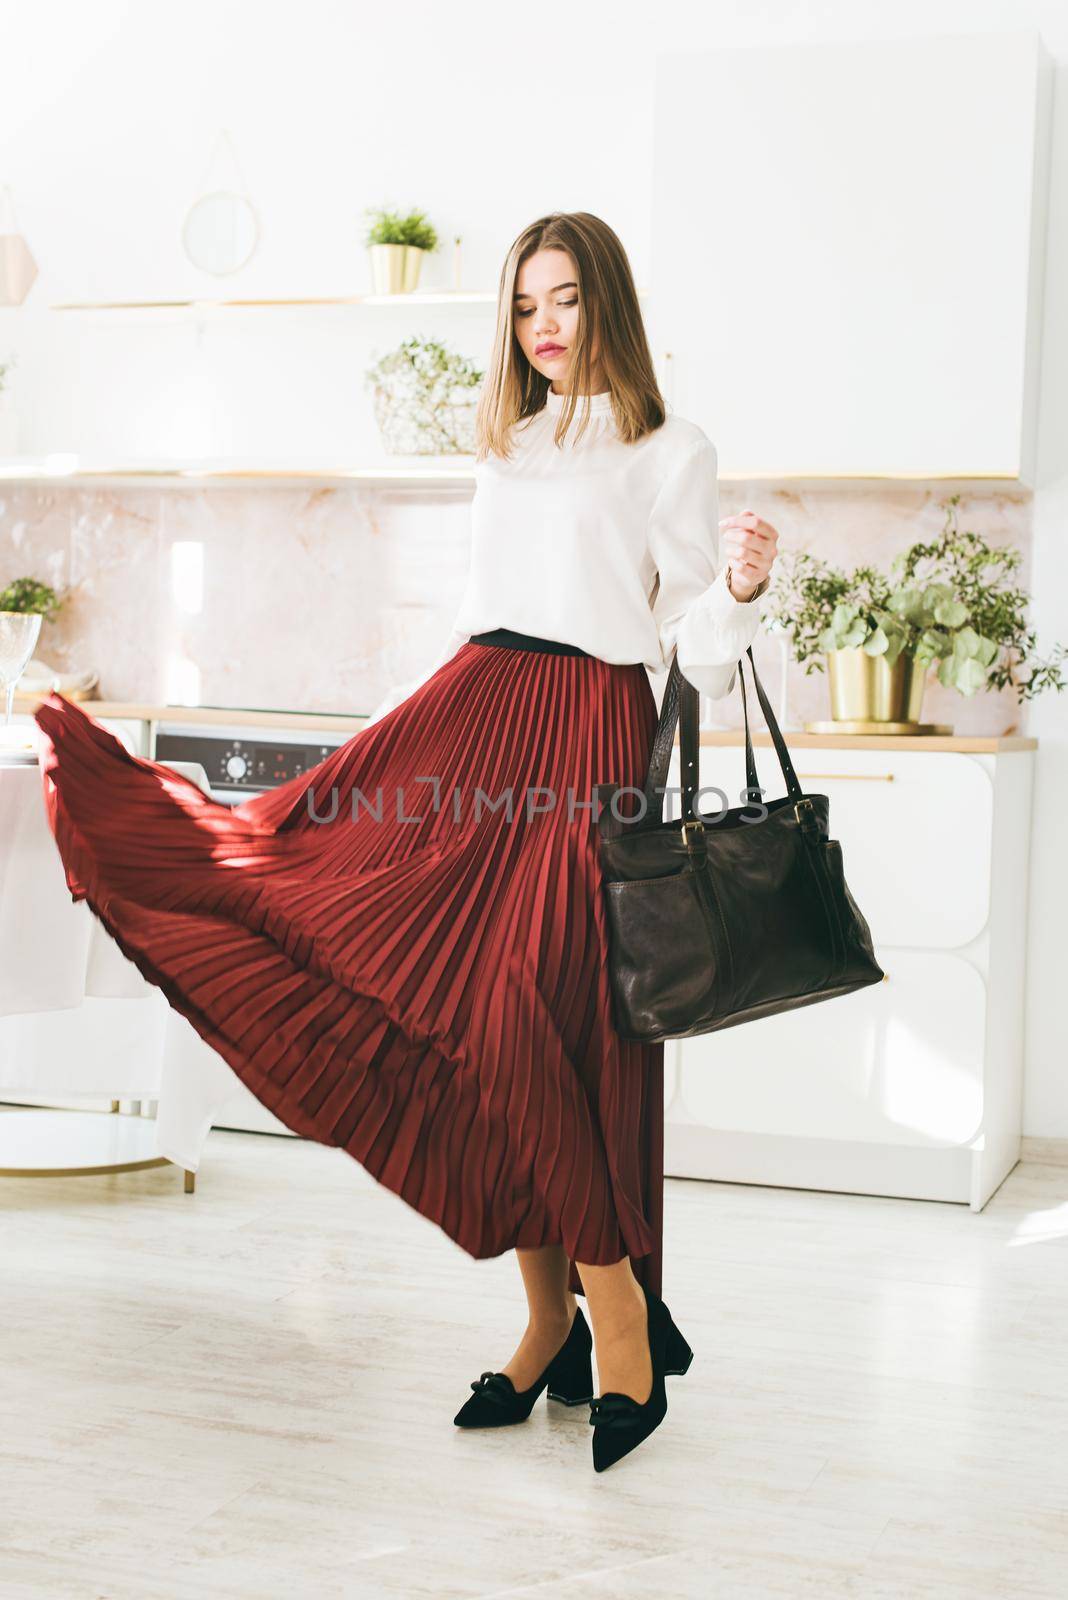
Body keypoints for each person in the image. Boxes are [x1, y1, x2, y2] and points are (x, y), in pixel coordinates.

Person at [32, 210, 779, 1473]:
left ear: (609, 303)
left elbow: (686, 643)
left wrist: (745, 592)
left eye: (566, 301)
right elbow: (488, 611)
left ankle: (621, 1324)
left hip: (591, 738)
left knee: (530, 1018)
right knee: (367, 928)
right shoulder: (510, 445)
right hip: (475, 717)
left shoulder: (670, 449)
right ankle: (558, 1317)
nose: (543, 327)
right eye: (525, 306)